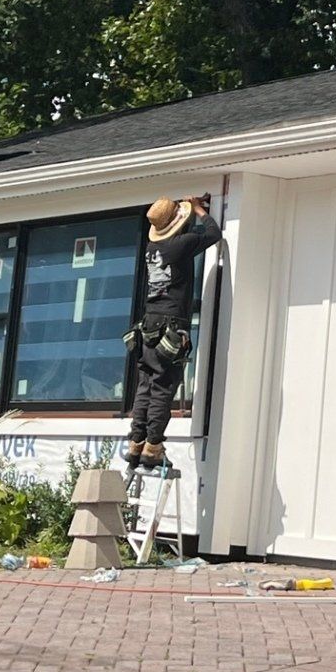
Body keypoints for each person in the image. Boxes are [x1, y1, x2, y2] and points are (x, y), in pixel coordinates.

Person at [124, 194, 222, 470]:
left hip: (148, 326)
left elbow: (180, 238)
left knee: (146, 385)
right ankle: (153, 447)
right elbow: (213, 233)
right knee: (163, 387)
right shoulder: (183, 244)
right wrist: (201, 210)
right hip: (171, 326)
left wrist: (185, 215)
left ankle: (136, 443)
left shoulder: (152, 248)